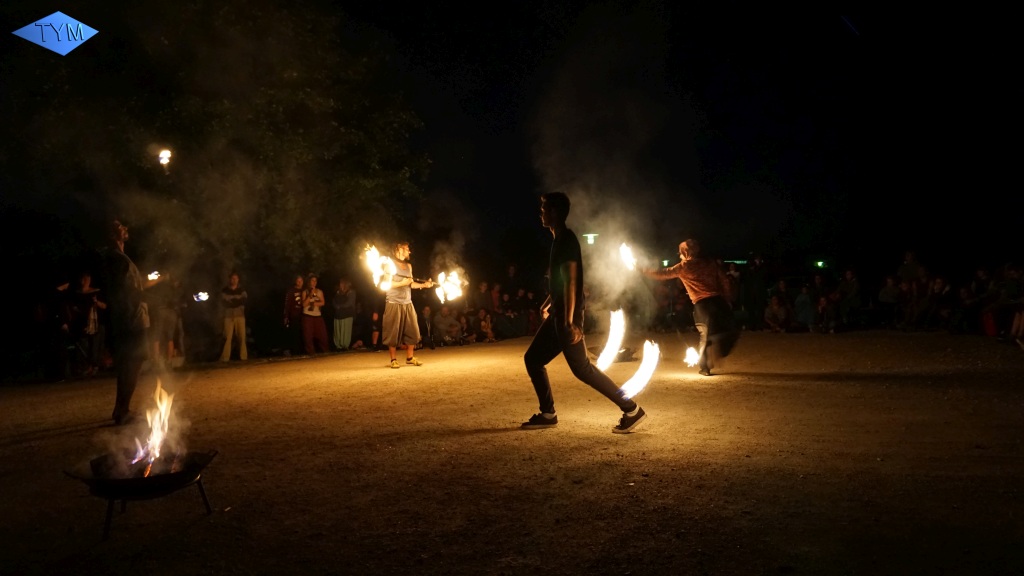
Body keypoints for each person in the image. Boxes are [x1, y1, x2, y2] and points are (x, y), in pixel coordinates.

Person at [521, 192, 646, 434]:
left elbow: (571, 281)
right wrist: (548, 301)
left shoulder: (566, 239)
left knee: (583, 369)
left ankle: (631, 409)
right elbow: (560, 281)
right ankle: (548, 413)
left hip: (567, 316)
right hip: (560, 312)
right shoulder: (559, 240)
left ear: (554, 213)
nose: (541, 213)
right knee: (534, 359)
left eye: (545, 209)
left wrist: (569, 321)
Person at [642, 238, 739, 376]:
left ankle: (705, 367)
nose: (680, 255)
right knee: (729, 329)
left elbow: (662, 273)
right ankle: (715, 356)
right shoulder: (711, 263)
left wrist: (642, 270)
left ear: (686, 252)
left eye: (681, 252)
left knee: (706, 335)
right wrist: (728, 298)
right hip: (719, 303)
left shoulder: (683, 267)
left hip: (703, 306)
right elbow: (725, 281)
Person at [102, 220, 163, 425]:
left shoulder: (121, 258)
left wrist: (153, 286)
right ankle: (122, 410)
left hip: (133, 316)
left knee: (132, 363)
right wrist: (137, 299)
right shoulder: (115, 259)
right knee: (130, 363)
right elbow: (120, 291)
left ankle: (121, 409)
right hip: (129, 319)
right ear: (112, 235)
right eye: (119, 226)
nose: (125, 228)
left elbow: (132, 287)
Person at [381, 242, 434, 368]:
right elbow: (386, 284)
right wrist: (402, 283)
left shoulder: (409, 266)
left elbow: (411, 284)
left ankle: (409, 357)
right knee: (393, 331)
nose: (409, 251)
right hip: (394, 302)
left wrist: (424, 285)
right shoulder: (389, 265)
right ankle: (393, 359)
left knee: (413, 330)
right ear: (399, 249)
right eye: (407, 249)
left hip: (407, 302)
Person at [220, 272, 248, 361]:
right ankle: (225, 358)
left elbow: (243, 300)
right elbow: (224, 302)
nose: (234, 280)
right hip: (228, 316)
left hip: (240, 315)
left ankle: (243, 357)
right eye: (232, 278)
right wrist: (236, 300)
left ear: (238, 279)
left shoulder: (242, 290)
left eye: (236, 278)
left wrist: (233, 300)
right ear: (230, 279)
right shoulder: (225, 290)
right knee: (227, 337)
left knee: (242, 337)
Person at [301, 273, 330, 355]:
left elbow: (323, 302)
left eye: (315, 281)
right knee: (308, 336)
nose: (314, 282)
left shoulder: (319, 292)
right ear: (309, 282)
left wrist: (314, 304)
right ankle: (311, 353)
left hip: (317, 316)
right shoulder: (305, 292)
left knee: (322, 335)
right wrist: (310, 295)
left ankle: (326, 351)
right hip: (307, 316)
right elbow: (304, 305)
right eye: (312, 281)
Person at [331, 278, 357, 351]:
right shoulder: (338, 292)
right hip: (338, 314)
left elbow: (349, 303)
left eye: (342, 283)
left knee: (345, 331)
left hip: (347, 314)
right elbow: (333, 301)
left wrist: (340, 306)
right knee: (338, 331)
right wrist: (336, 306)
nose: (340, 285)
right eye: (340, 283)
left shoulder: (351, 292)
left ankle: (345, 345)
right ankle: (338, 346)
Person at [283, 275, 304, 356]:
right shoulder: (291, 291)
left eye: (301, 281)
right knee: (294, 333)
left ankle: (301, 351)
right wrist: (286, 316)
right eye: (298, 281)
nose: (300, 283)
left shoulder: (304, 290)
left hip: (303, 315)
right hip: (294, 315)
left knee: (302, 333)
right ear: (295, 281)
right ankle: (294, 351)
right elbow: (287, 304)